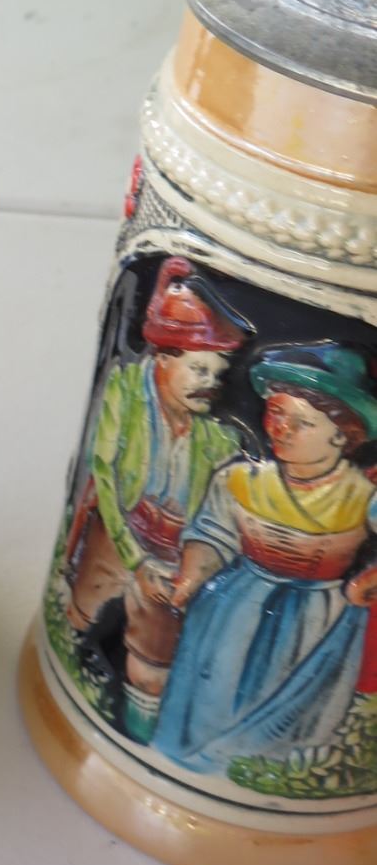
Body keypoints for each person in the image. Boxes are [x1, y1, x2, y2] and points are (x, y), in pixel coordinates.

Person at [154, 345, 377, 775]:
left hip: (319, 623)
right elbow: (212, 535)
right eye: (276, 414)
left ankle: (270, 774)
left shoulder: (361, 496)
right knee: (216, 687)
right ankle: (190, 762)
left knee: (291, 713)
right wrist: (189, 579)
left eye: (302, 423)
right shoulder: (241, 479)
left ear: (341, 434)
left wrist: (367, 582)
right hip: (234, 610)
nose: (281, 430)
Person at [64, 257, 248, 741]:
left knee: (157, 647)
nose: (211, 383)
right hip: (120, 530)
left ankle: (139, 731)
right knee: (86, 607)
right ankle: (79, 666)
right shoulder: (127, 391)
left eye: (218, 373)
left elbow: (216, 519)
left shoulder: (219, 441)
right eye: (200, 368)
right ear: (164, 358)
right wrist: (135, 558)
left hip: (172, 555)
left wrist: (183, 572)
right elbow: (105, 473)